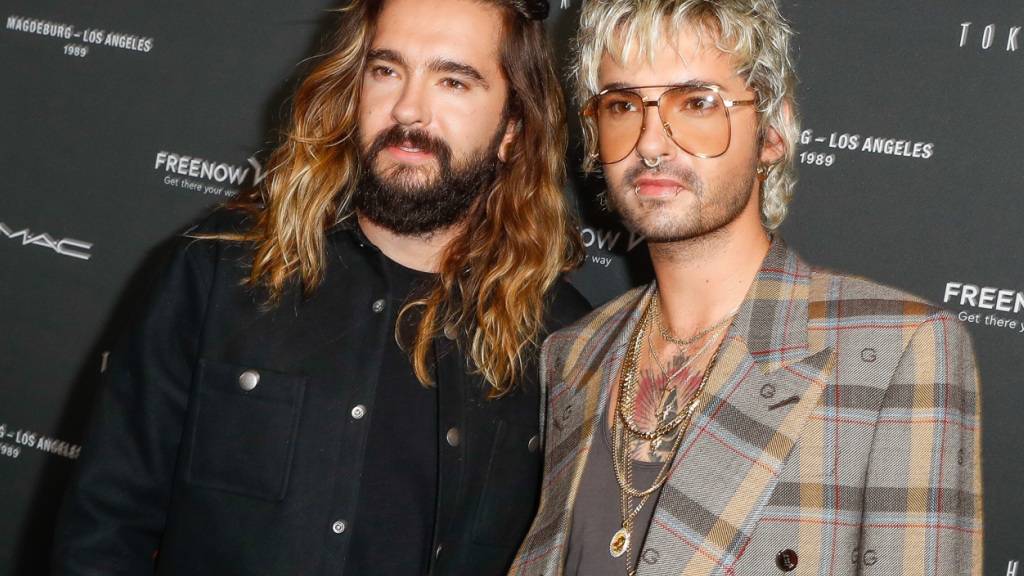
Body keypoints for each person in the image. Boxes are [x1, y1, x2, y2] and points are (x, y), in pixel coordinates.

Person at [51, 0, 589, 574]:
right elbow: (103, 531)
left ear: (512, 130)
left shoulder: (564, 345)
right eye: (386, 70)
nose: (408, 109)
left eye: (453, 81)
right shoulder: (221, 269)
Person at [511, 1, 983, 575]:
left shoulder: (896, 352)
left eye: (697, 102)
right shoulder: (573, 355)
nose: (651, 143)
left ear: (772, 132)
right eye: (622, 105)